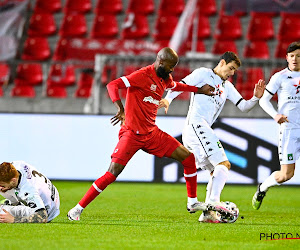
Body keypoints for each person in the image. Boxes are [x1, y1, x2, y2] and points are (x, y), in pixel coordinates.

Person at [67, 47, 232, 221]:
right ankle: (77, 209)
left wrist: (198, 90)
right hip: (131, 134)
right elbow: (112, 85)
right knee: (112, 173)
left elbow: (176, 85)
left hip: (152, 134)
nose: (172, 70)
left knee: (188, 158)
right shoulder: (142, 75)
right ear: (160, 62)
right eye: (170, 66)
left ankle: (192, 202)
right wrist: (120, 108)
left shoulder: (164, 78)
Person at [160, 51, 265, 223]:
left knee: (215, 171)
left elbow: (244, 106)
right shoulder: (203, 73)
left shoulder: (227, 87)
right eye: (230, 68)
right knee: (224, 164)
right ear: (222, 62)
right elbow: (180, 85)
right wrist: (168, 100)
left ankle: (208, 214)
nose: (232, 73)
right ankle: (213, 202)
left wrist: (255, 98)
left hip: (200, 129)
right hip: (196, 125)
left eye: (234, 71)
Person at [252, 41, 300, 210]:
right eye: (292, 56)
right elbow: (263, 100)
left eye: (299, 56)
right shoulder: (279, 77)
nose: (295, 59)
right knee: (286, 175)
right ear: (287, 58)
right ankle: (262, 188)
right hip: (289, 130)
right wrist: (275, 115)